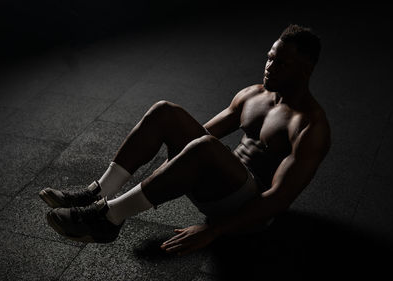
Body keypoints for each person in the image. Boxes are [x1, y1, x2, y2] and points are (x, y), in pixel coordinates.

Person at [39, 24, 331, 256]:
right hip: (217, 180)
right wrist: (168, 172)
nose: (269, 67)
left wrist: (214, 230)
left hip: (249, 213)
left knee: (206, 147)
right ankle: (98, 191)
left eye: (282, 64)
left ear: (305, 70)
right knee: (166, 112)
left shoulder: (309, 126)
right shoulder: (254, 94)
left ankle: (108, 218)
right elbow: (197, 134)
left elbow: (278, 199)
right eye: (270, 58)